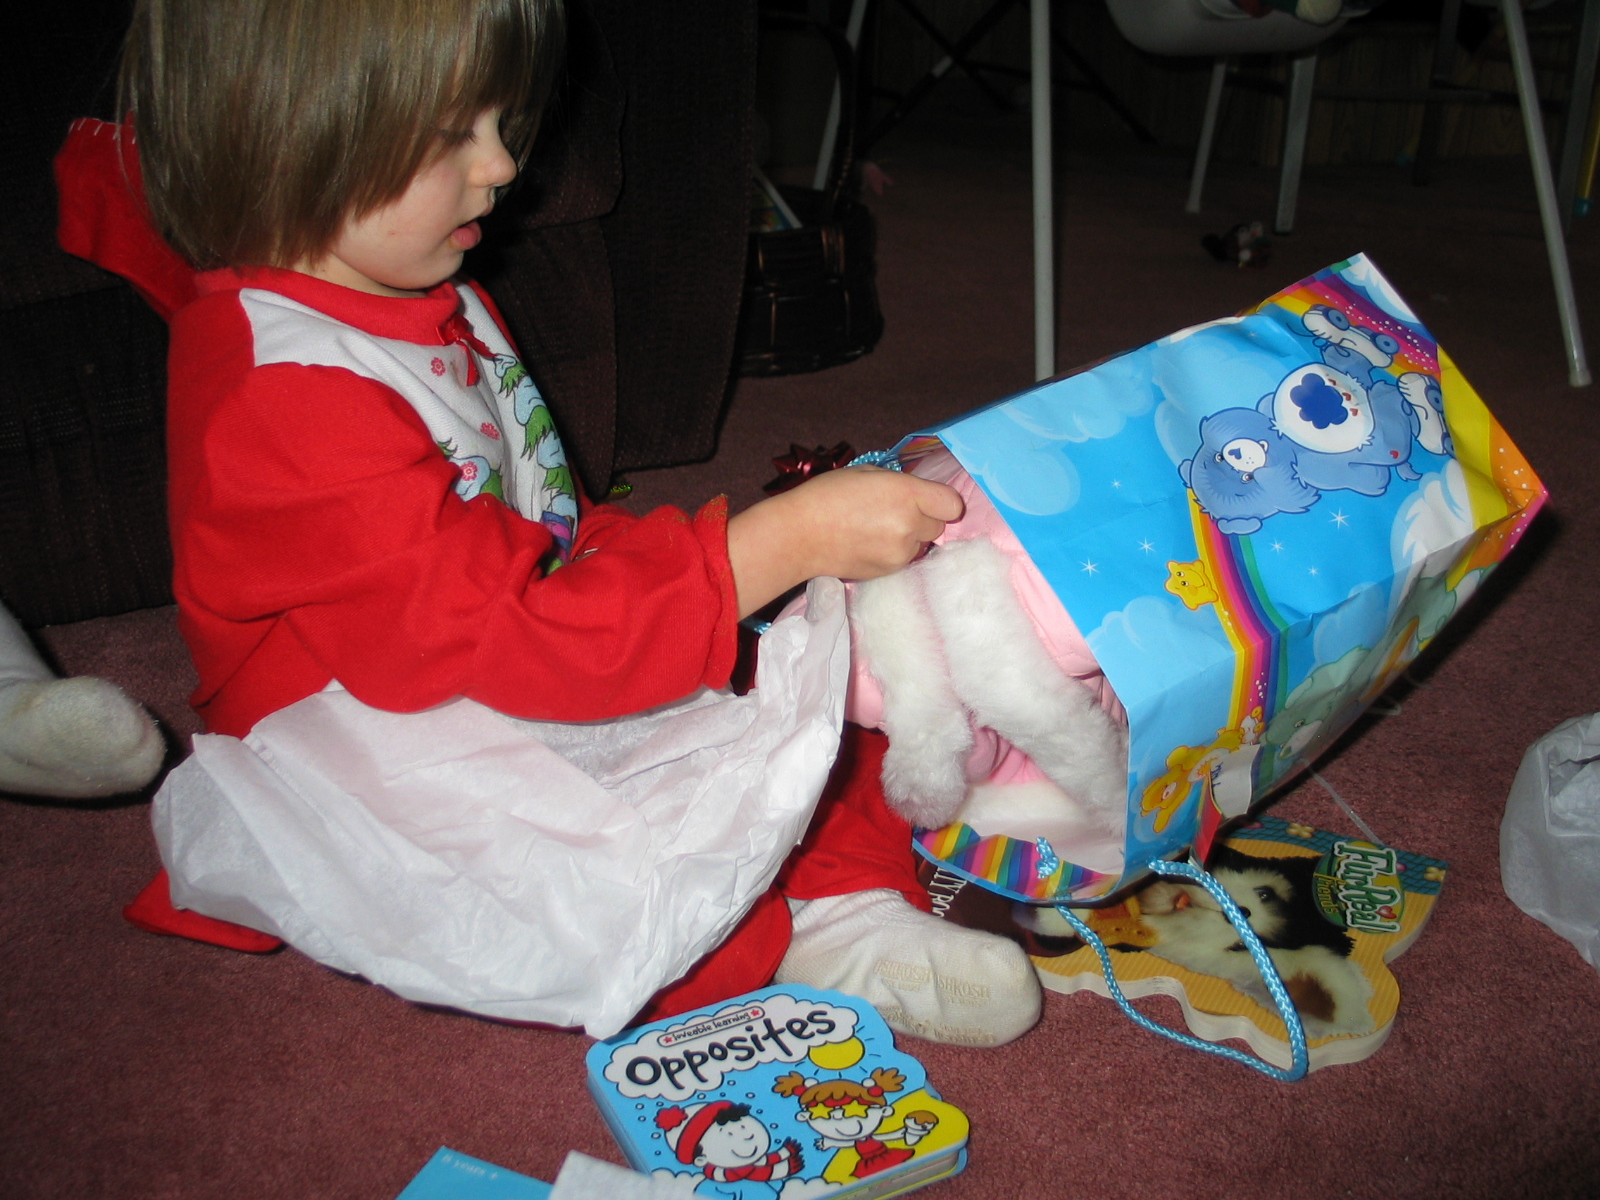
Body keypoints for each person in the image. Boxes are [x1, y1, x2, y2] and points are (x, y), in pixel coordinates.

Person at [56, 0, 1041, 1045]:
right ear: (283, 138)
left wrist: (734, 572)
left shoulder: (401, 276)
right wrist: (775, 546)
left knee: (809, 698)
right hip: (376, 744)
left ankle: (847, 898)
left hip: (500, 637)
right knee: (601, 898)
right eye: (451, 135)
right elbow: (509, 635)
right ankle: (799, 934)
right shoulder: (284, 402)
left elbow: (529, 533)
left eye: (500, 121)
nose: (499, 166)